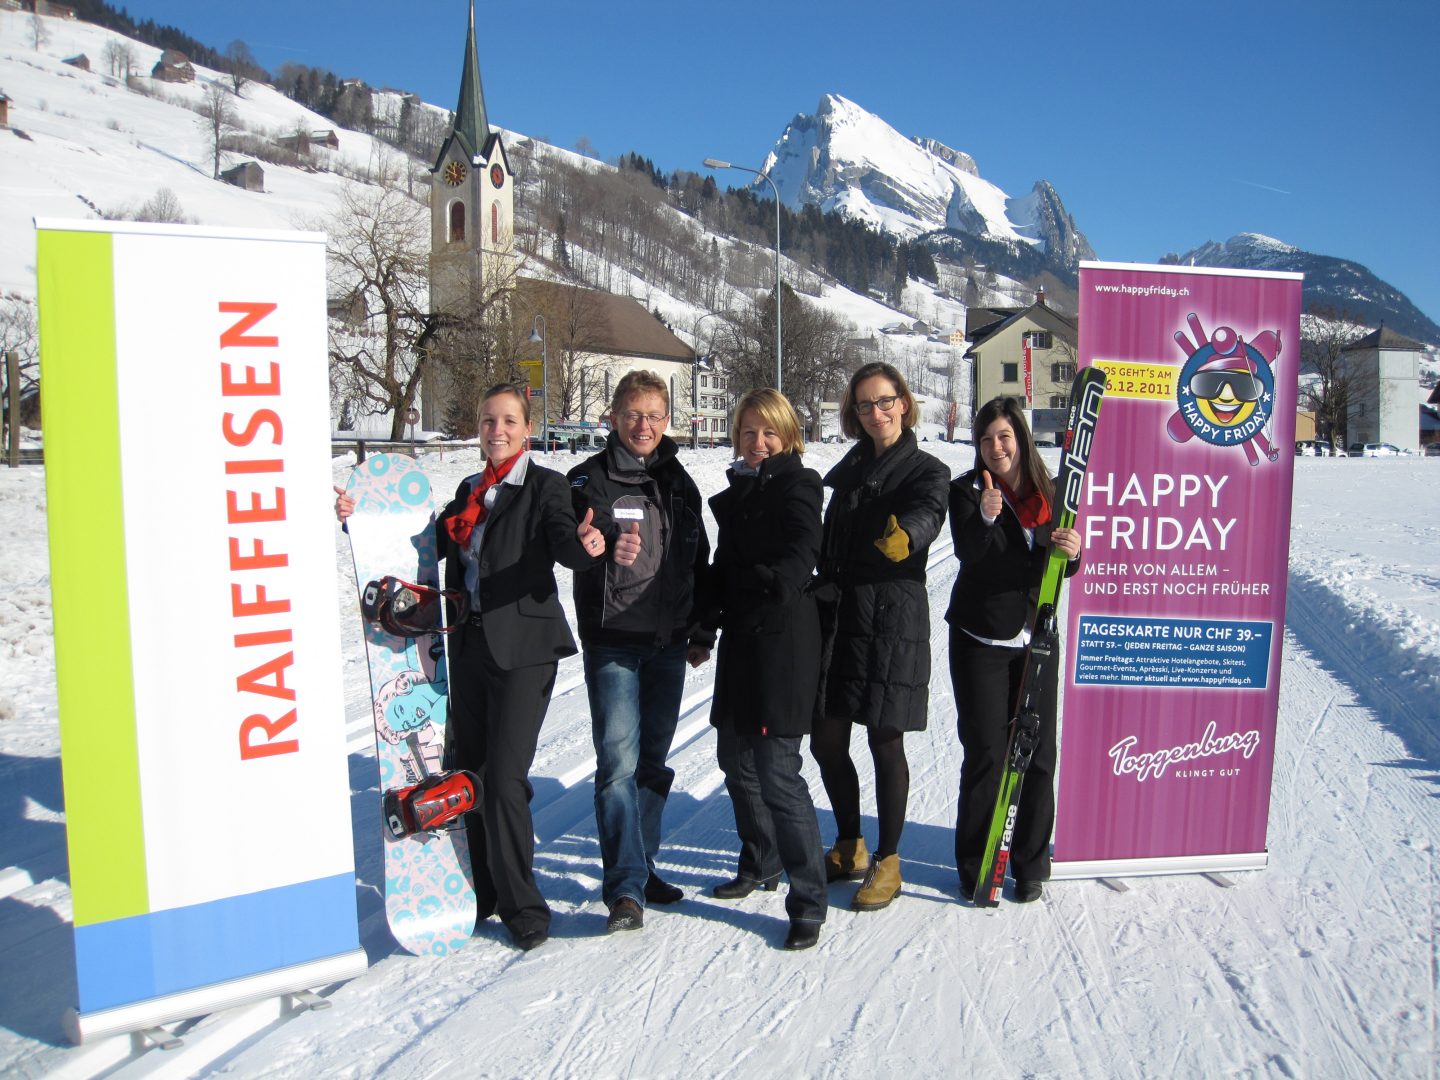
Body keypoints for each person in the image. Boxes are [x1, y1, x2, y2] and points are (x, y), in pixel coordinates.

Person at [336, 384, 606, 951]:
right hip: (470, 649)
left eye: (509, 420)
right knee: (471, 766)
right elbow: (420, 548)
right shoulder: (468, 491)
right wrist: (359, 520)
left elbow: (564, 542)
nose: (497, 430)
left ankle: (523, 906)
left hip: (525, 653)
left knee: (504, 781)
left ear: (527, 429)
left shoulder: (545, 487)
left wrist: (586, 546)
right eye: (488, 421)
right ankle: (480, 889)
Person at [566, 370, 713, 934]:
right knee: (617, 763)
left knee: (652, 761)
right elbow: (579, 535)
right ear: (613, 418)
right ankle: (624, 888)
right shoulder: (589, 480)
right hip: (615, 644)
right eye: (632, 414)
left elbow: (696, 559)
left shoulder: (680, 482)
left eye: (653, 414)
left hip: (669, 643)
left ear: (667, 419)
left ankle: (642, 863)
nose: (644, 424)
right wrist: (601, 546)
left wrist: (700, 630)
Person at [811, 362, 950, 912]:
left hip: (892, 614)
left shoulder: (927, 468)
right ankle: (850, 844)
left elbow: (927, 513)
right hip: (840, 614)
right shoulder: (847, 470)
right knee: (826, 737)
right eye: (865, 405)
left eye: (884, 401)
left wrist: (908, 536)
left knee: (884, 739)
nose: (876, 413)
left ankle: (889, 860)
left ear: (903, 403)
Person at [699, 388, 827, 951]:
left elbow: (805, 543)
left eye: (768, 432)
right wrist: (704, 626)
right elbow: (722, 567)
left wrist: (780, 580)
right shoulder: (743, 490)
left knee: (778, 770)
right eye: (748, 432)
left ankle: (809, 901)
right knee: (735, 757)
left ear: (788, 435)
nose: (757, 443)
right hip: (742, 641)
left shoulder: (799, 483)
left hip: (782, 641)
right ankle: (760, 860)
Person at [947, 396, 1082, 904]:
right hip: (980, 640)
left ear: (1020, 438)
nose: (996, 447)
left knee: (1039, 755)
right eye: (986, 439)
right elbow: (969, 553)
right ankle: (977, 860)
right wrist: (984, 518)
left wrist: (1074, 554)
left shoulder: (1052, 493)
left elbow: (1058, 568)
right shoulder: (967, 490)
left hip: (1036, 641)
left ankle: (1030, 861)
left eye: (1004, 436)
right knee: (985, 754)